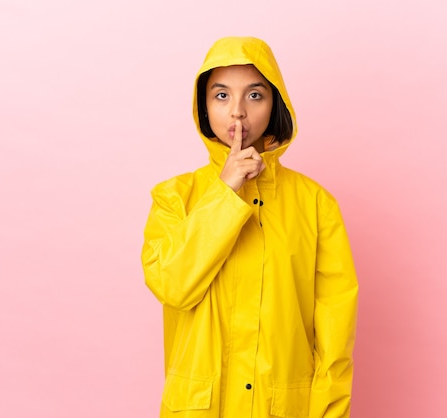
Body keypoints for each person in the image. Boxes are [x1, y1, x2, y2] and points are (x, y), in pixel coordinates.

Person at [141, 36, 358, 418]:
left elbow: (334, 335)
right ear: (203, 107)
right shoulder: (174, 197)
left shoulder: (316, 205)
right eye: (221, 96)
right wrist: (225, 191)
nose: (237, 112)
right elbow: (173, 285)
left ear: (275, 104)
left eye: (254, 96)